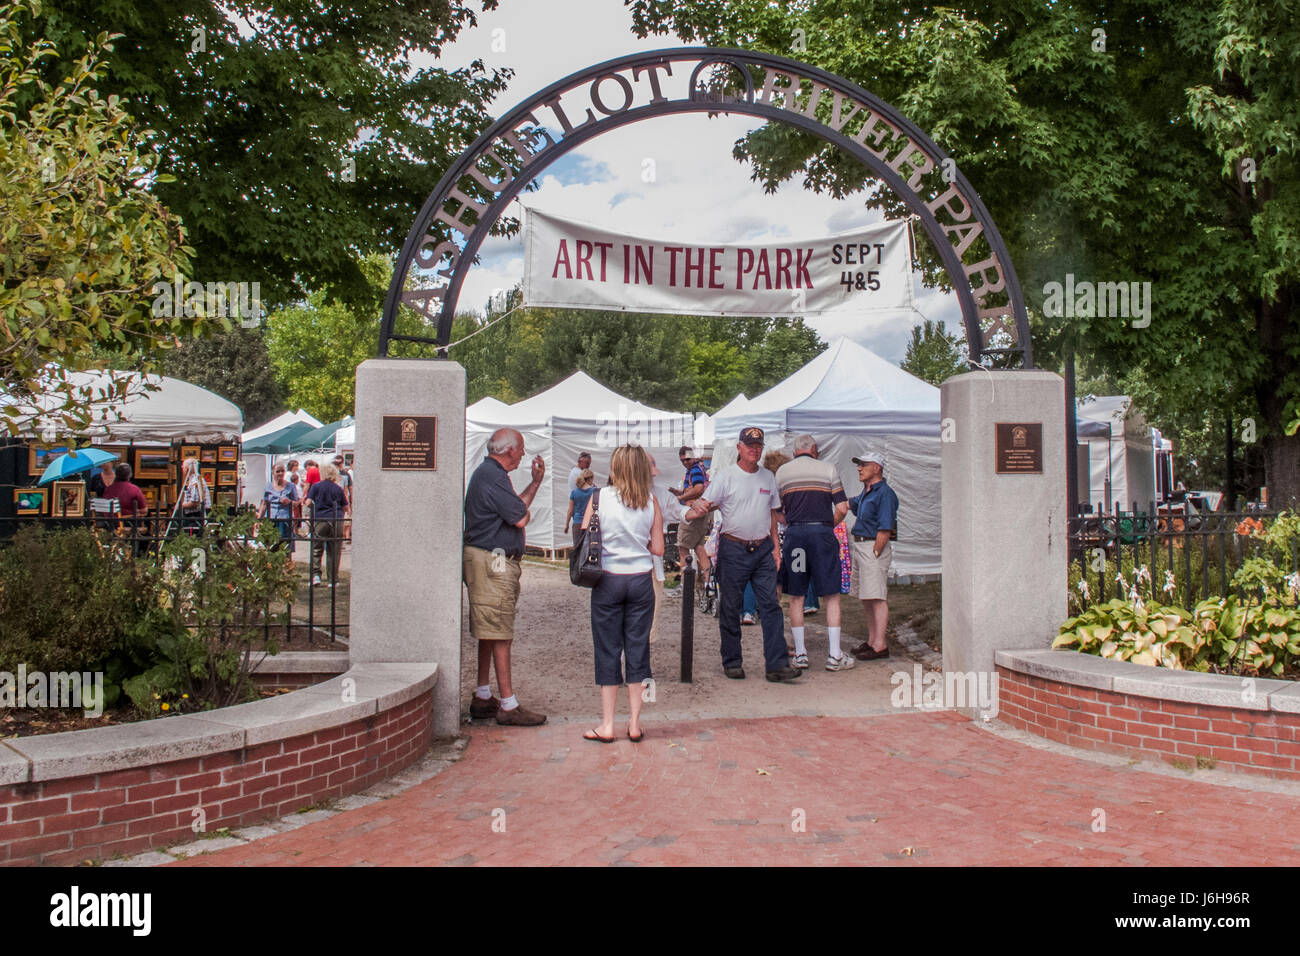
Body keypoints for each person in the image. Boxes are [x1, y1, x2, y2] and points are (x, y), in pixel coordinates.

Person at [687, 427, 801, 682]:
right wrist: (691, 512)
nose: (754, 449)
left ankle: (777, 665)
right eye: (750, 445)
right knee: (730, 606)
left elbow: (772, 514)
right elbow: (704, 503)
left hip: (762, 550)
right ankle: (732, 661)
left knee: (771, 605)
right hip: (733, 548)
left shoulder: (768, 478)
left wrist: (776, 549)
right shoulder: (726, 477)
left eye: (758, 446)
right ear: (739, 447)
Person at [580, 444, 663, 743]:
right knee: (638, 648)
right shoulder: (651, 501)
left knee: (608, 648)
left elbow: (583, 531)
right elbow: (658, 549)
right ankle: (635, 723)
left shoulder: (599, 498)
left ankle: (606, 725)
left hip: (608, 580)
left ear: (615, 468)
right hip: (640, 580)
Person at [463, 428, 547, 726]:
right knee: (500, 631)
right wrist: (533, 488)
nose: (523, 454)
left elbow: (515, 508)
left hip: (486, 558)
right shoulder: (493, 476)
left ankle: (484, 695)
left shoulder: (490, 474)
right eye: (521, 449)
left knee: (490, 629)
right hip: (493, 561)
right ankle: (508, 705)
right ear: (508, 449)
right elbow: (520, 516)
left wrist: (535, 484)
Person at [775, 435, 853, 671]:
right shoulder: (828, 469)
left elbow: (776, 510)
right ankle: (834, 655)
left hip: (796, 538)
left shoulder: (782, 473)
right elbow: (842, 507)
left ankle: (800, 654)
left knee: (796, 595)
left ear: (795, 451)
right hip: (821, 537)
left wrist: (791, 523)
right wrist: (828, 524)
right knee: (831, 594)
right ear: (814, 450)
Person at [846, 450, 900, 661]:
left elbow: (885, 528)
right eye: (859, 464)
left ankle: (880, 645)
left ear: (876, 468)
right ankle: (872, 641)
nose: (859, 468)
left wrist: (876, 551)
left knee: (876, 596)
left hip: (872, 547)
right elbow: (851, 504)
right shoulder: (867, 491)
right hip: (862, 546)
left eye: (864, 464)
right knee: (867, 597)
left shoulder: (884, 493)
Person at [672, 445, 714, 601]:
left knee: (683, 548)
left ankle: (685, 586)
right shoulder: (698, 468)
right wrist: (681, 492)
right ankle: (708, 582)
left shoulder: (695, 469)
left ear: (693, 457)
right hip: (701, 512)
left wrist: (680, 498)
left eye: (687, 459)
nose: (685, 463)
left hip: (692, 513)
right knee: (699, 547)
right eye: (682, 460)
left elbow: (699, 489)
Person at [305, 463, 349, 586]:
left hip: (320, 519)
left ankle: (316, 575)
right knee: (334, 550)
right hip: (335, 520)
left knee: (316, 549)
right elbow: (345, 507)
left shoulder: (316, 487)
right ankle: (333, 579)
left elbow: (308, 502)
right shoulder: (338, 489)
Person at [257, 462, 299, 551]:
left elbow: (297, 503)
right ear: (273, 472)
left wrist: (289, 501)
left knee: (284, 545)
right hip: (271, 519)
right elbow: (264, 503)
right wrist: (259, 519)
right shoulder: (268, 486)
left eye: (282, 471)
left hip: (284, 520)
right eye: (278, 471)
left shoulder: (290, 486)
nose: (280, 473)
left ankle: (286, 563)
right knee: (270, 545)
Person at [565, 469, 597, 548]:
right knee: (589, 548)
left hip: (577, 523)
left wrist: (567, 525)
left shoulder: (574, 492)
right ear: (590, 479)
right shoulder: (595, 492)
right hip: (590, 522)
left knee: (577, 547)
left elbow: (570, 511)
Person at [179, 457, 211, 533]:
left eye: (183, 467)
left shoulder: (195, 482)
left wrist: (182, 505)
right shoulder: (195, 480)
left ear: (187, 469)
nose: (182, 470)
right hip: (195, 516)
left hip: (195, 516)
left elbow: (195, 503)